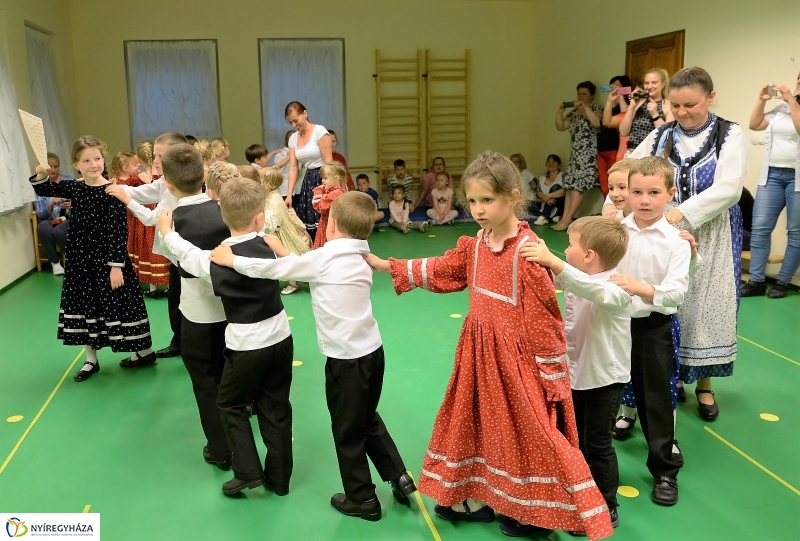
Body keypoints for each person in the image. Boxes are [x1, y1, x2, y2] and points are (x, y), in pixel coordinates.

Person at [365, 151, 612, 540]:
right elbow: (447, 268)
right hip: (478, 355)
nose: (478, 209)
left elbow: (545, 320)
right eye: (472, 200)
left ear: (513, 197)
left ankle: (534, 511)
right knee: (476, 425)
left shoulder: (527, 252)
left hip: (515, 365)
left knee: (525, 434)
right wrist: (394, 266)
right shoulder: (478, 242)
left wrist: (551, 375)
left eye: (487, 200)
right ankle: (471, 495)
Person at [210, 191, 417, 521]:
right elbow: (305, 263)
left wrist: (231, 260)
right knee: (367, 418)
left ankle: (362, 498)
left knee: (347, 430)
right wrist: (284, 251)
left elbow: (271, 270)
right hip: (372, 353)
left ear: (331, 224)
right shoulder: (362, 254)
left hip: (346, 361)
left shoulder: (323, 259)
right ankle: (398, 475)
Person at [158, 178, 294, 497]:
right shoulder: (271, 246)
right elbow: (295, 266)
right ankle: (279, 478)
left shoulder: (219, 258)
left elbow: (188, 255)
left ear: (222, 215)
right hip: (281, 338)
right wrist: (282, 249)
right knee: (275, 406)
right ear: (259, 218)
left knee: (230, 403)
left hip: (246, 345)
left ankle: (247, 472)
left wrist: (167, 232)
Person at [628, 67, 750, 421]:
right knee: (668, 303)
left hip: (712, 231)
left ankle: (705, 384)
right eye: (675, 105)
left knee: (705, 307)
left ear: (711, 97)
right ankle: (673, 377)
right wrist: (615, 201)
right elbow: (630, 168)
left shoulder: (730, 134)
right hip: (662, 230)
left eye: (690, 105)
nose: (682, 112)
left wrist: (682, 213)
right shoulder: (661, 134)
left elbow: (730, 188)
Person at [521, 216, 631, 533]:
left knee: (598, 445)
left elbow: (588, 287)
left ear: (589, 255)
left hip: (604, 381)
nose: (565, 250)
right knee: (577, 442)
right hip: (576, 376)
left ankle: (606, 505)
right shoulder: (578, 277)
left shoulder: (616, 288)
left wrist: (554, 261)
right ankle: (582, 497)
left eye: (570, 245)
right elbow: (554, 279)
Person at [30, 136, 154, 382]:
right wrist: (41, 173)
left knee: (124, 304)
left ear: (103, 160)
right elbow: (44, 189)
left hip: (109, 262)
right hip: (81, 260)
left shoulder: (113, 192)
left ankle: (144, 352)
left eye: (97, 159)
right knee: (86, 306)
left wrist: (116, 266)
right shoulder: (75, 187)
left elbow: (118, 231)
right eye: (86, 161)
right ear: (76, 164)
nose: (93, 164)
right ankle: (91, 360)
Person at [608, 156, 691, 507]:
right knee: (603, 391)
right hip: (613, 323)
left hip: (653, 327)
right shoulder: (615, 231)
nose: (644, 200)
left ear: (670, 194)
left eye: (654, 193)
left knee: (656, 399)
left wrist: (638, 287)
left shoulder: (677, 241)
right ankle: (593, 467)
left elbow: (675, 293)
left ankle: (664, 471)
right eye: (637, 191)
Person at [105, 132, 189, 360]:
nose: (155, 161)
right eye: (155, 156)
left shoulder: (176, 185)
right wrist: (106, 186)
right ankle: (180, 341)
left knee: (185, 302)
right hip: (175, 255)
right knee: (176, 301)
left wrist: (126, 200)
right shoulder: (165, 180)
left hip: (185, 253)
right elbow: (141, 192)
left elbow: (152, 218)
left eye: (161, 156)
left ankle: (187, 343)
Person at [742, 76, 800, 298]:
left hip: (797, 177)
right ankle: (756, 281)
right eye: (799, 78)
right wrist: (762, 100)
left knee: (795, 232)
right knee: (760, 228)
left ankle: (783, 281)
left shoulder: (790, 104)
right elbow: (755, 124)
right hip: (772, 174)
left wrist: (792, 101)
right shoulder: (782, 107)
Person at [114, 143, 171, 298]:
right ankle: (165, 285)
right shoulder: (162, 178)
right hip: (156, 216)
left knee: (149, 249)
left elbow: (125, 187)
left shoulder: (147, 177)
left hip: (146, 216)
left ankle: (153, 287)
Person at [554, 81, 603, 231]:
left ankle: (567, 219)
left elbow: (597, 123)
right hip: (575, 155)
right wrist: (559, 112)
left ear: (592, 96)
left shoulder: (596, 108)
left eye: (584, 94)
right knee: (570, 186)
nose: (580, 96)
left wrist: (585, 107)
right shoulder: (574, 113)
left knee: (578, 186)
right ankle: (565, 218)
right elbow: (561, 126)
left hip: (588, 156)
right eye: (579, 93)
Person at [284, 101, 333, 243]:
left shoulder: (319, 131)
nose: (294, 125)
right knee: (309, 223)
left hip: (324, 177)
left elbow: (329, 162)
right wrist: (289, 195)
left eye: (295, 120)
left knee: (324, 219)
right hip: (308, 180)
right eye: (290, 122)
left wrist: (327, 185)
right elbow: (294, 168)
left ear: (305, 114)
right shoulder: (293, 138)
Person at [259, 166, 311, 295]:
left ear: (267, 183)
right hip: (279, 232)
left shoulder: (274, 199)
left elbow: (274, 219)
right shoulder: (271, 196)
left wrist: (266, 230)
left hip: (281, 234)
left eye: (260, 179)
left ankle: (294, 283)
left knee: (286, 258)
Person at [31, 152, 75, 275]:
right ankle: (55, 263)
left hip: (69, 218)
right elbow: (41, 215)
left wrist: (72, 205)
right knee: (43, 227)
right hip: (51, 219)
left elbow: (82, 204)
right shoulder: (39, 186)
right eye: (50, 167)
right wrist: (51, 204)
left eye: (56, 166)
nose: (53, 170)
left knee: (59, 231)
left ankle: (73, 260)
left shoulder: (68, 180)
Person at [619, 69, 673, 158]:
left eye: (654, 82)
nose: (649, 86)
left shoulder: (668, 105)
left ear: (663, 84)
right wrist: (631, 107)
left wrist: (655, 114)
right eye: (647, 83)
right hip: (632, 154)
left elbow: (666, 137)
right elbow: (623, 132)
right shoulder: (638, 103)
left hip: (653, 157)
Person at [599, 76, 631, 194]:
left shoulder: (629, 106)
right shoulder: (610, 106)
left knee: (619, 184)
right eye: (612, 86)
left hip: (616, 150)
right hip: (603, 150)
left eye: (618, 86)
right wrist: (610, 100)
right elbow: (606, 122)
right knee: (606, 186)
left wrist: (621, 95)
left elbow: (625, 115)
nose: (614, 88)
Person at [312, 162, 347, 248]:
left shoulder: (336, 193)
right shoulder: (336, 191)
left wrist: (318, 191)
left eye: (325, 178)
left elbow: (320, 207)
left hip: (329, 226)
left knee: (327, 247)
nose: (322, 181)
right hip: (328, 224)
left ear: (335, 178)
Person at [530, 154, 566, 226]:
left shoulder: (564, 176)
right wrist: (544, 198)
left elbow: (565, 191)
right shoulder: (541, 178)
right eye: (549, 162)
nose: (551, 164)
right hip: (545, 204)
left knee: (555, 187)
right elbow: (538, 192)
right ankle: (552, 218)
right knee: (528, 204)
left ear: (559, 165)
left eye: (554, 162)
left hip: (559, 205)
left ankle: (544, 216)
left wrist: (549, 196)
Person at [271, 130, 295, 197]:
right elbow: (276, 168)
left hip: (285, 189)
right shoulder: (299, 154)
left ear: (284, 141)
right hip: (286, 189)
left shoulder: (279, 154)